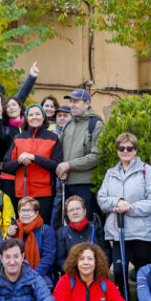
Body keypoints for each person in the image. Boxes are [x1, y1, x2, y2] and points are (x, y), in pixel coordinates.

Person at [99, 132, 151, 295]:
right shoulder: (110, 173)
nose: (125, 151)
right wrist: (117, 203)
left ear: (135, 149)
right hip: (118, 230)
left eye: (129, 148)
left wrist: (129, 207)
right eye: (121, 147)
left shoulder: (147, 172)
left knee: (143, 274)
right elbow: (102, 199)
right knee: (119, 272)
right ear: (117, 150)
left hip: (142, 232)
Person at [3, 103, 63, 224]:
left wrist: (34, 158)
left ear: (43, 117)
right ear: (26, 118)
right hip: (22, 192)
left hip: (44, 192)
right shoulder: (18, 138)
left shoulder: (53, 138)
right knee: (23, 227)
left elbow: (56, 165)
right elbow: (6, 166)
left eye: (37, 114)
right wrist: (19, 161)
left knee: (42, 227)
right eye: (31, 114)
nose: (34, 117)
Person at [55, 88, 105, 217]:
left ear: (87, 104)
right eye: (70, 101)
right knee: (70, 226)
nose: (71, 105)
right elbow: (60, 153)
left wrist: (69, 165)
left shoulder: (96, 125)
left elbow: (97, 156)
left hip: (86, 185)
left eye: (76, 101)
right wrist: (60, 167)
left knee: (87, 225)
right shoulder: (68, 125)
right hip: (67, 185)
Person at [6, 195, 57, 283]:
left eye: (29, 210)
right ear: (18, 212)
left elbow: (48, 257)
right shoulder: (14, 230)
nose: (25, 214)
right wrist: (9, 237)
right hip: (16, 273)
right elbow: (5, 255)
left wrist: (33, 275)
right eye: (23, 210)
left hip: (41, 273)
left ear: (36, 213)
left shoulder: (46, 231)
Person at [55, 194, 106, 268]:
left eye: (78, 209)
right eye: (71, 210)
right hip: (72, 275)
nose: (75, 212)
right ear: (68, 214)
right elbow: (60, 260)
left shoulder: (96, 228)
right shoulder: (62, 232)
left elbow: (106, 254)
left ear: (85, 211)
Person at [0, 95, 25, 200]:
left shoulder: (28, 127)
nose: (11, 108)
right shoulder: (4, 127)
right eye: (8, 106)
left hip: (27, 173)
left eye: (14, 105)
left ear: (20, 107)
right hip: (8, 173)